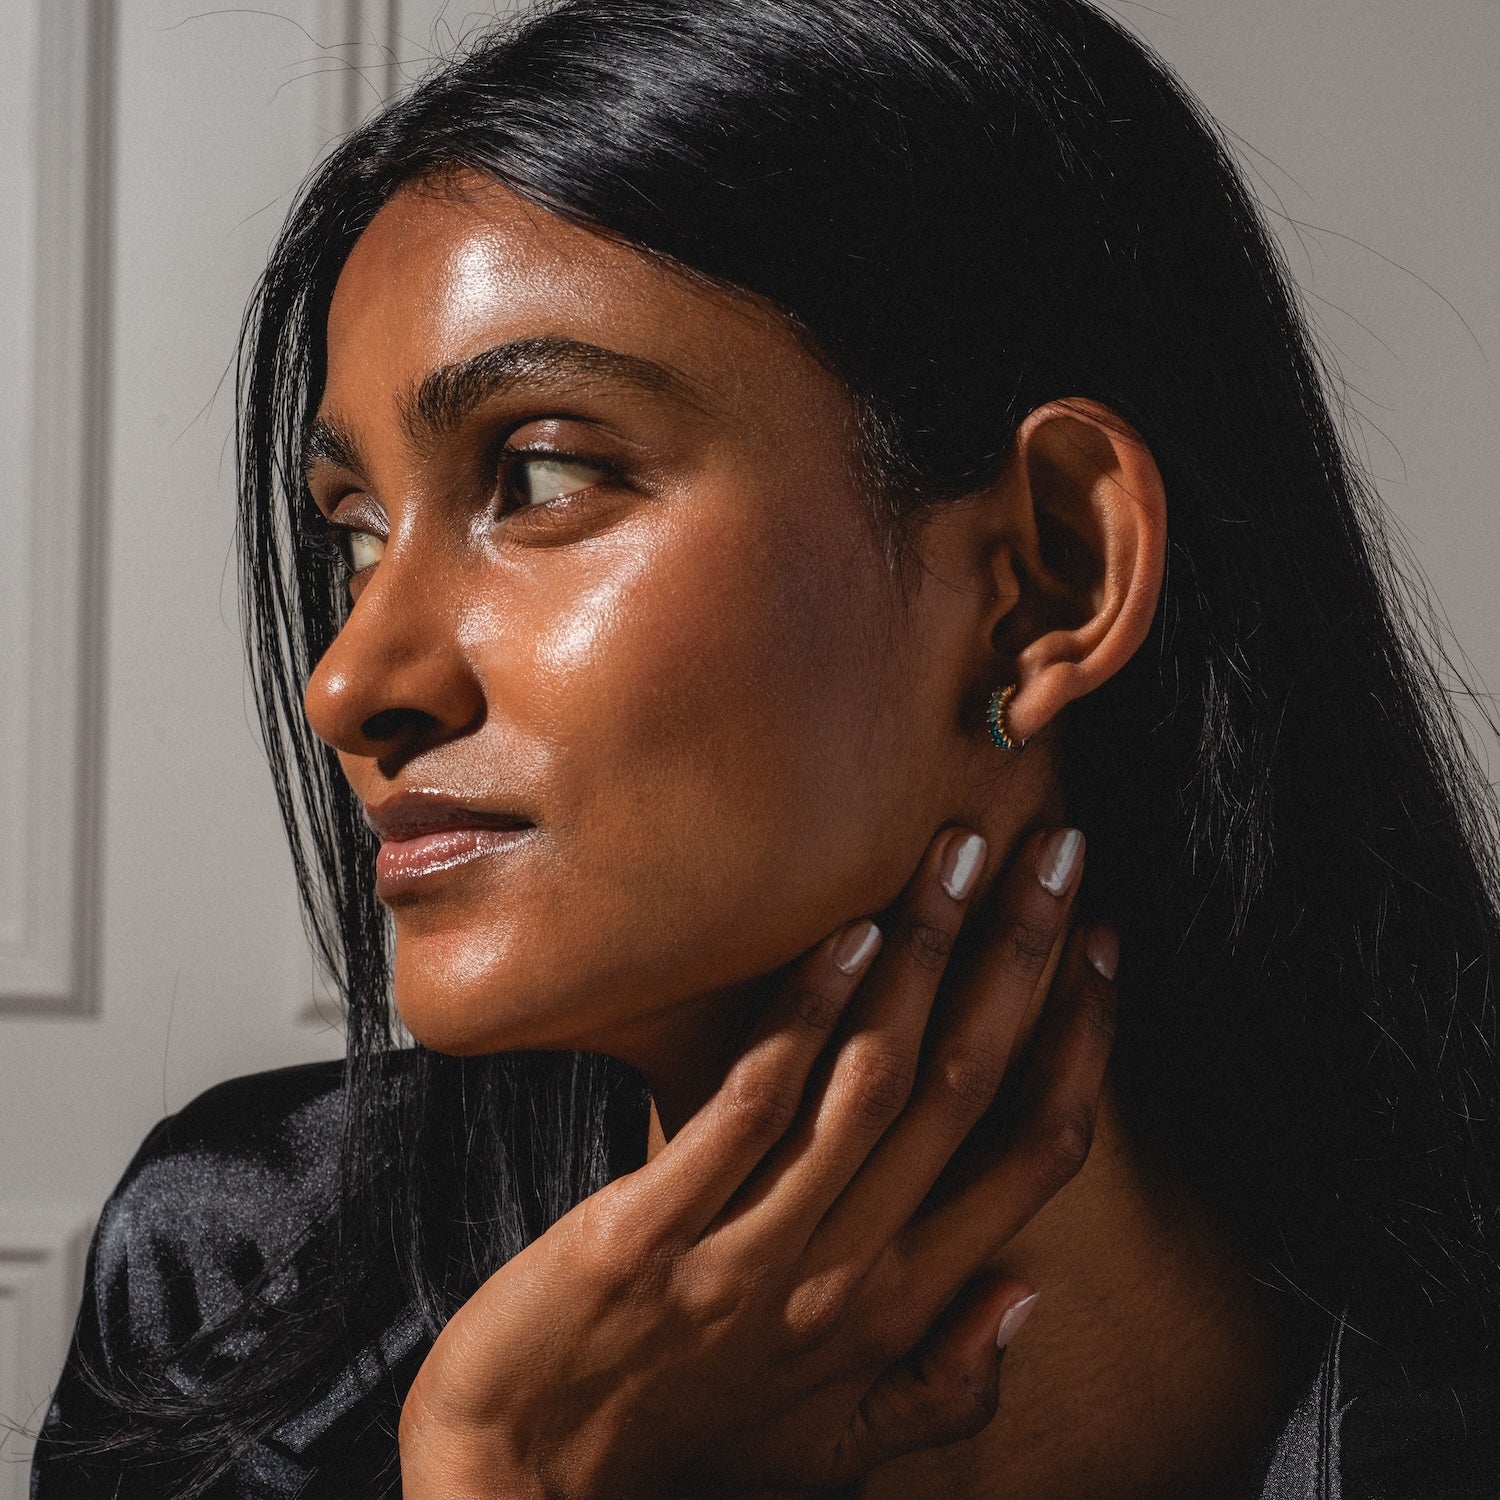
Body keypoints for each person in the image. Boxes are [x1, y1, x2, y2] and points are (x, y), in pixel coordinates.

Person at [30, 0, 1500, 1494]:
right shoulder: (232, 1285)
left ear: (1045, 576)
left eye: (539, 475)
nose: (347, 682)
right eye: (356, 532)